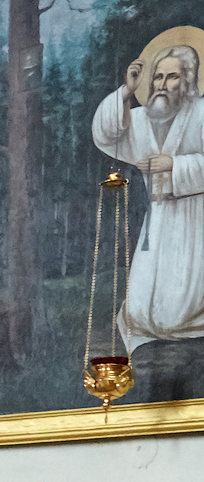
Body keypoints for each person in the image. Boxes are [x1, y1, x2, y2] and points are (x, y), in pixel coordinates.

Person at [93, 43, 204, 347]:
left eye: (172, 77)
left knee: (175, 315)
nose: (162, 85)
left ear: (189, 80)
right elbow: (105, 135)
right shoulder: (144, 118)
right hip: (157, 223)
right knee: (138, 311)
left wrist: (176, 165)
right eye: (157, 77)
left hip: (195, 223)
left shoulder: (201, 113)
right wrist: (126, 92)